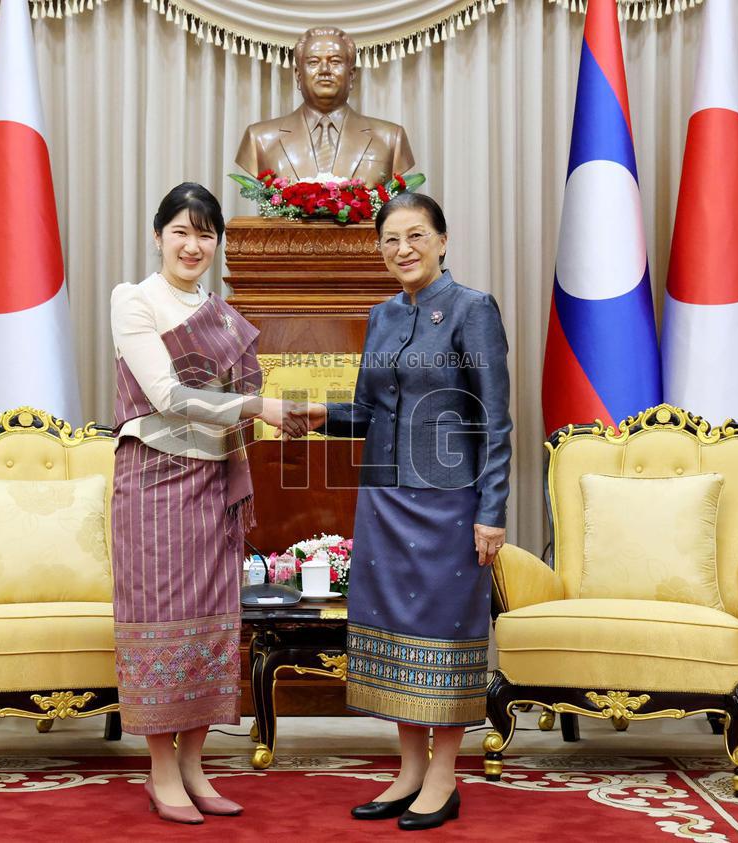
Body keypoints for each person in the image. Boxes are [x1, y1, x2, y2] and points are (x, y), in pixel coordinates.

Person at [293, 192, 512, 831]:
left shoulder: (473, 309)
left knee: (443, 635)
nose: (403, 249)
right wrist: (322, 415)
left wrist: (492, 510)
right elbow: (369, 411)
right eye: (390, 239)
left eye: (416, 235)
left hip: (450, 505)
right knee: (392, 635)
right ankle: (409, 772)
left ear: (442, 240)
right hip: (383, 500)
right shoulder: (383, 315)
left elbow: (496, 422)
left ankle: (444, 778)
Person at [110, 183, 302, 824]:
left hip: (214, 485)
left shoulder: (222, 315)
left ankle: (194, 767)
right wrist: (258, 405)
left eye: (205, 234)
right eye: (181, 232)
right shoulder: (134, 301)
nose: (193, 246)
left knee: (210, 625)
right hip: (153, 485)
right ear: (158, 235)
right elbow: (167, 396)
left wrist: (273, 407)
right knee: (160, 622)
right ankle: (162, 771)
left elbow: (241, 399)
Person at [235, 26, 414, 184]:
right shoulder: (260, 138)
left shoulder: (390, 138)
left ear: (352, 75)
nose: (324, 70)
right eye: (313, 62)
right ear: (298, 75)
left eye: (335, 61)